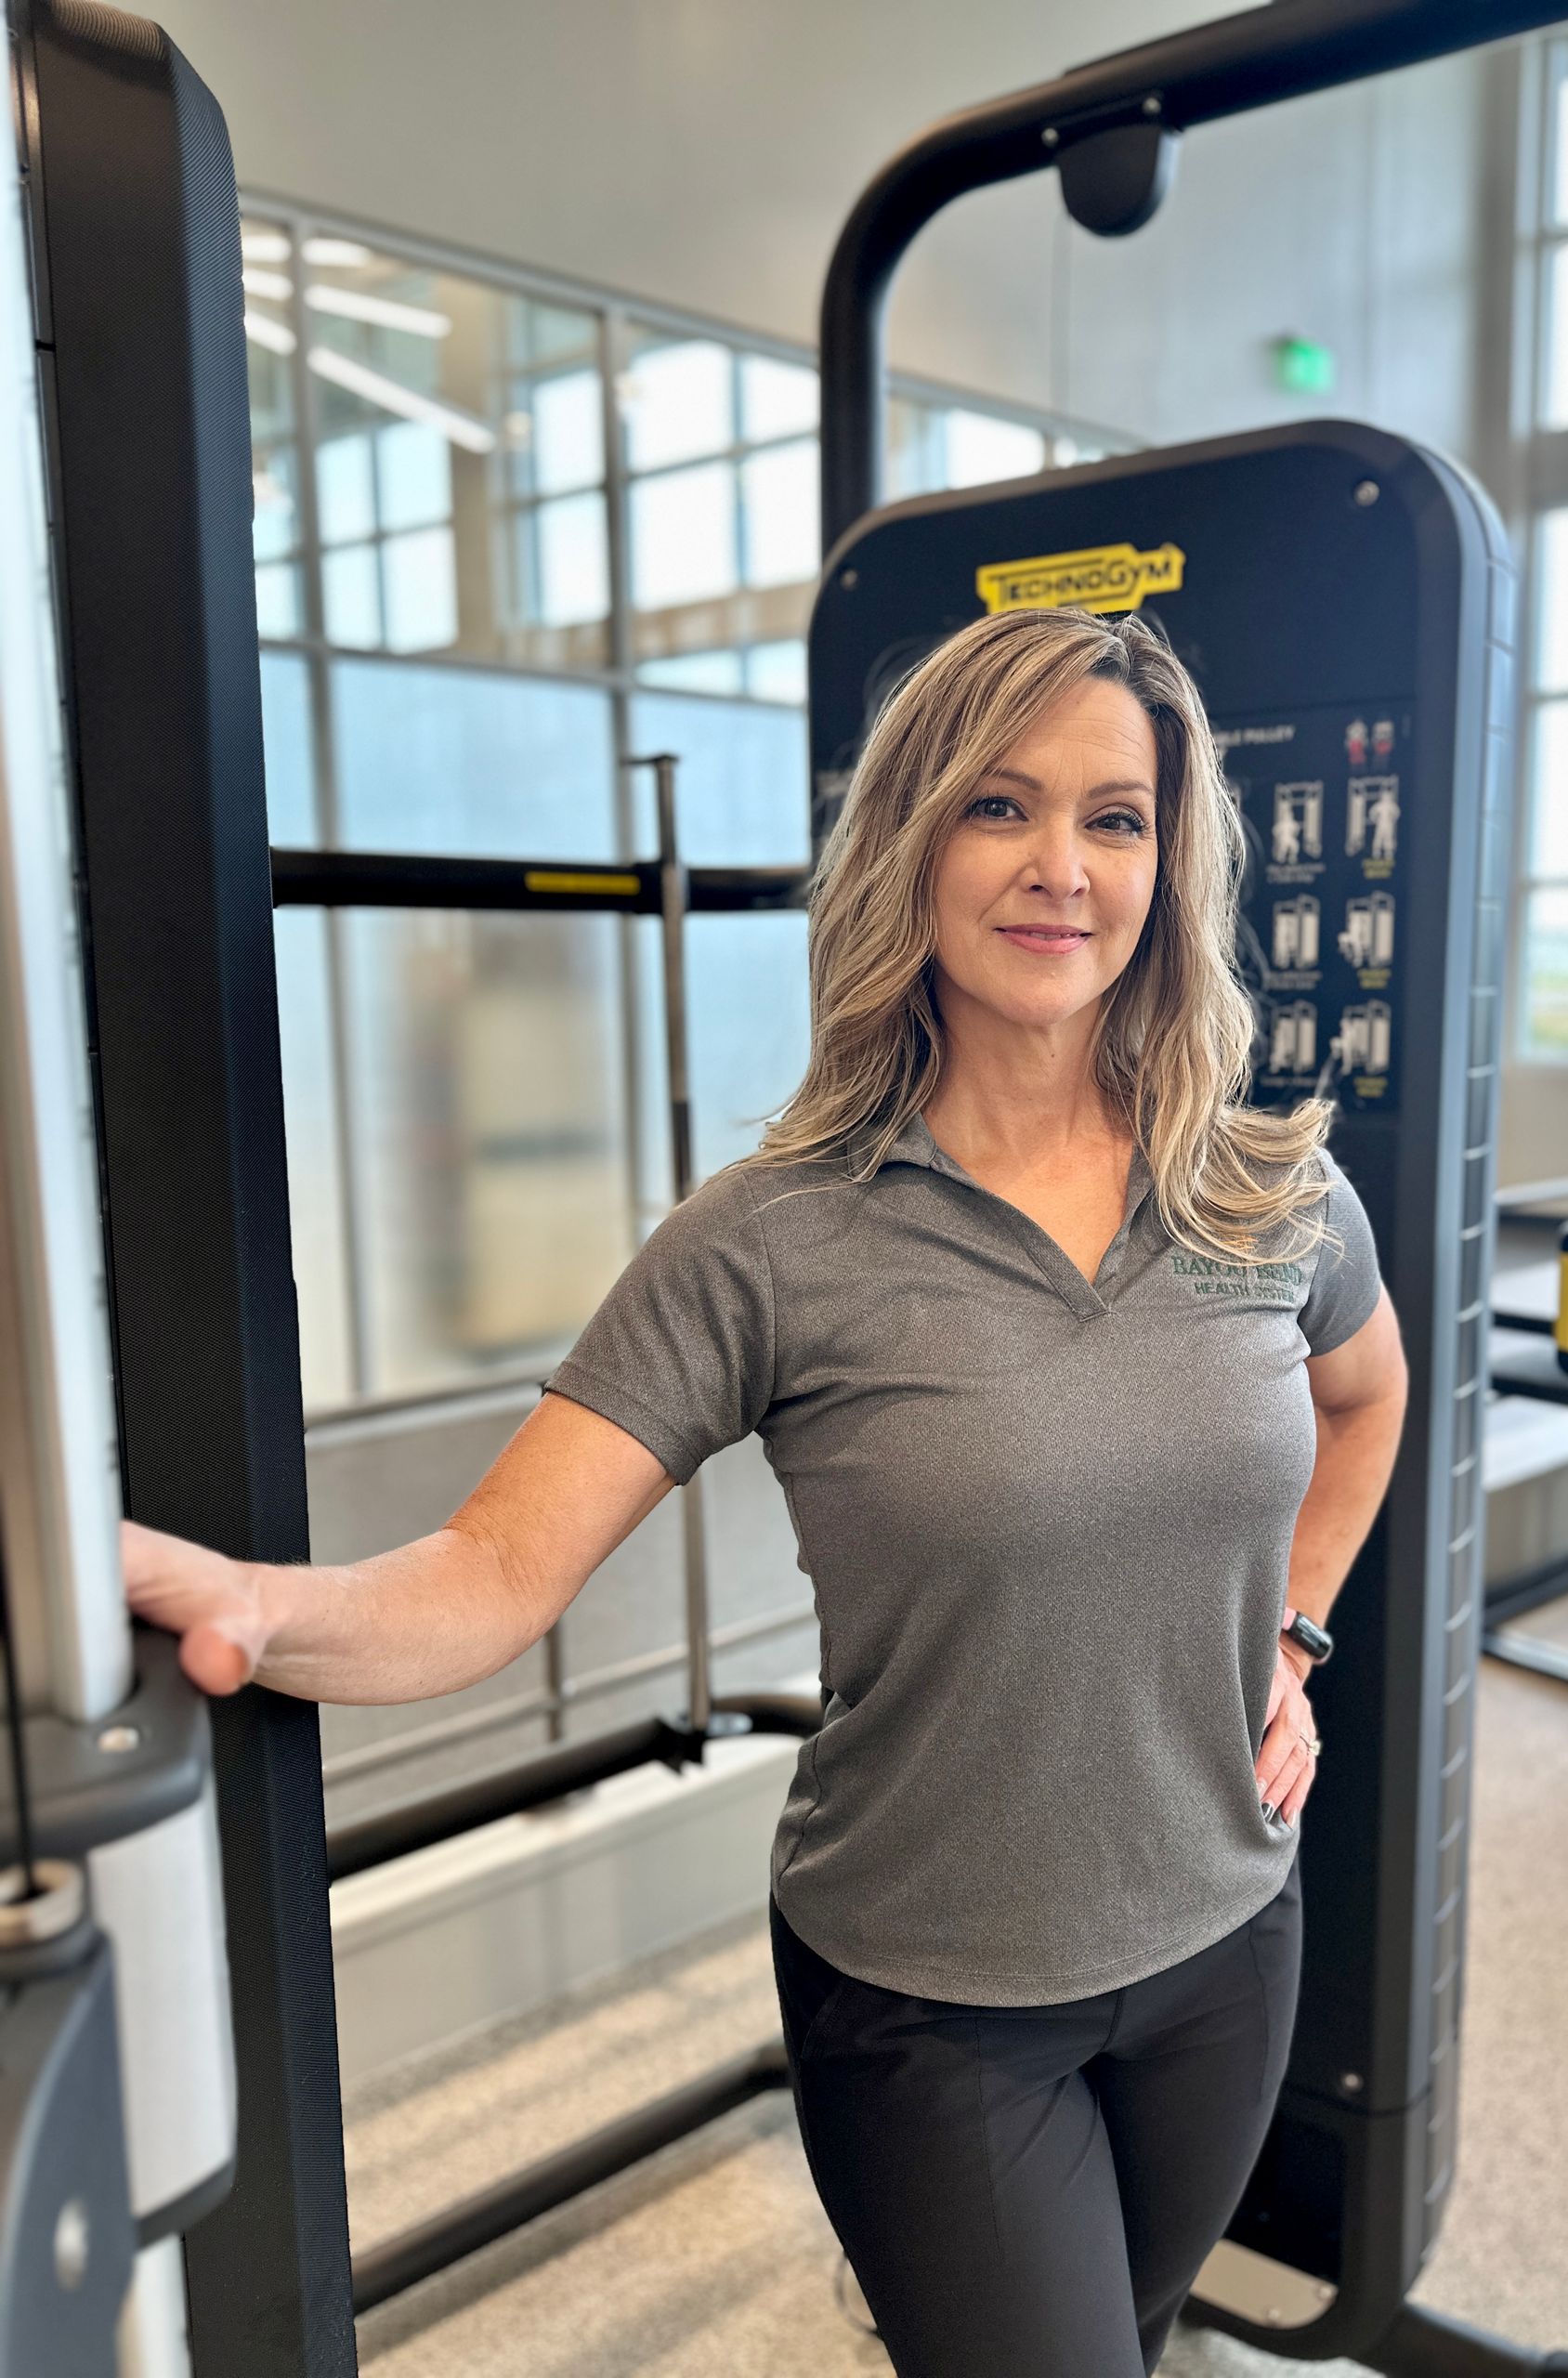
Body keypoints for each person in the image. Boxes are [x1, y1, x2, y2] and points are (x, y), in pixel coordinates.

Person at [124, 605, 1406, 2378]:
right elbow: (493, 1573)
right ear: (911, 845)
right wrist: (258, 1606)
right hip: (936, 2000)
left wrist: (1294, 1629)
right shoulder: (776, 1241)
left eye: (1117, 820)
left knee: (1126, 2332)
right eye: (1000, 807)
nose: (1062, 868)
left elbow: (1368, 1396)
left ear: (1170, 869)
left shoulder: (1265, 1185)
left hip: (1224, 1940)